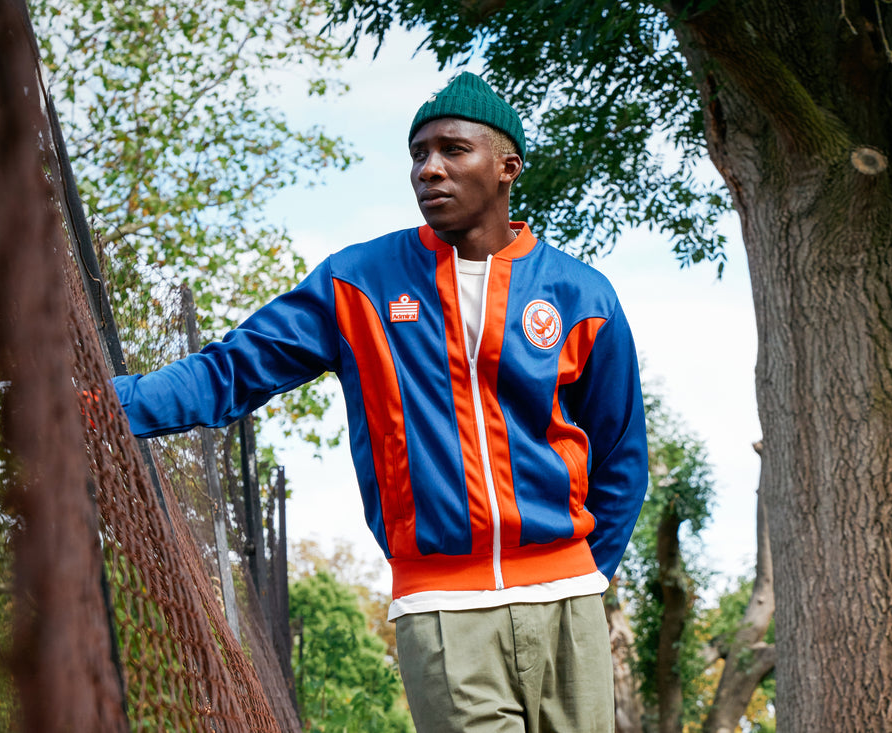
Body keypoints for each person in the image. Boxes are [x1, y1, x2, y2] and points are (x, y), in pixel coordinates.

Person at [113, 71, 648, 733]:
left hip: (568, 602)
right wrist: (116, 406)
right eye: (419, 154)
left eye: (453, 150)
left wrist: (584, 573)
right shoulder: (359, 281)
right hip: (444, 607)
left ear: (507, 167)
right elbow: (233, 369)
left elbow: (621, 456)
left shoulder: (581, 294)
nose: (430, 169)